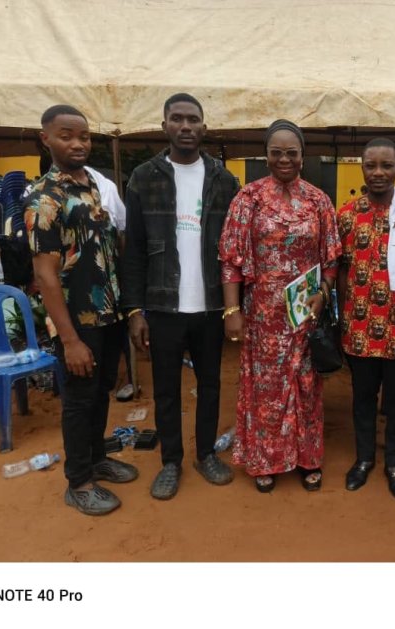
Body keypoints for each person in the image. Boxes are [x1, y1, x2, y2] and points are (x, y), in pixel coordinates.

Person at [122, 93, 239, 500]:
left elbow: (233, 251)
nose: (185, 126)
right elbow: (133, 249)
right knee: (166, 388)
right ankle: (171, 461)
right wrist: (135, 310)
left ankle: (205, 454)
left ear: (204, 128)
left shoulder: (225, 181)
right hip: (163, 306)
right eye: (177, 119)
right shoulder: (143, 177)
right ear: (165, 126)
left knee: (210, 385)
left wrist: (232, 307)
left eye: (193, 119)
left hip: (209, 306)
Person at [24, 104, 138, 516]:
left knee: (101, 391)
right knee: (78, 400)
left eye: (84, 136)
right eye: (66, 135)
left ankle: (96, 458)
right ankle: (79, 481)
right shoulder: (44, 198)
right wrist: (69, 339)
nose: (77, 143)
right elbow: (47, 276)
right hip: (76, 322)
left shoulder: (92, 185)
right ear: (46, 139)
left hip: (108, 316)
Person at [219, 119, 341, 493]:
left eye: (292, 152)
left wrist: (323, 290)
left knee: (306, 385)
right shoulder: (249, 198)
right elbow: (230, 259)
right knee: (267, 387)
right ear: (266, 155)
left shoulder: (318, 200)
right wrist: (232, 310)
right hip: (263, 313)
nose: (284, 159)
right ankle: (266, 460)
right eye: (277, 152)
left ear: (303, 156)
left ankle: (307, 459)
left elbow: (333, 256)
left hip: (305, 310)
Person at [337, 138, 395, 500]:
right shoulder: (346, 215)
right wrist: (344, 310)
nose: (378, 173)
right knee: (362, 397)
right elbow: (339, 268)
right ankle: (364, 460)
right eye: (371, 165)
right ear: (361, 167)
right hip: (359, 326)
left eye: (386, 165)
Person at [84, 166, 134, 402]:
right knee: (84, 391)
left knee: (104, 381)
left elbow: (123, 232)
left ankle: (131, 378)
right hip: (81, 306)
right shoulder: (45, 196)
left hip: (113, 299)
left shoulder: (106, 187)